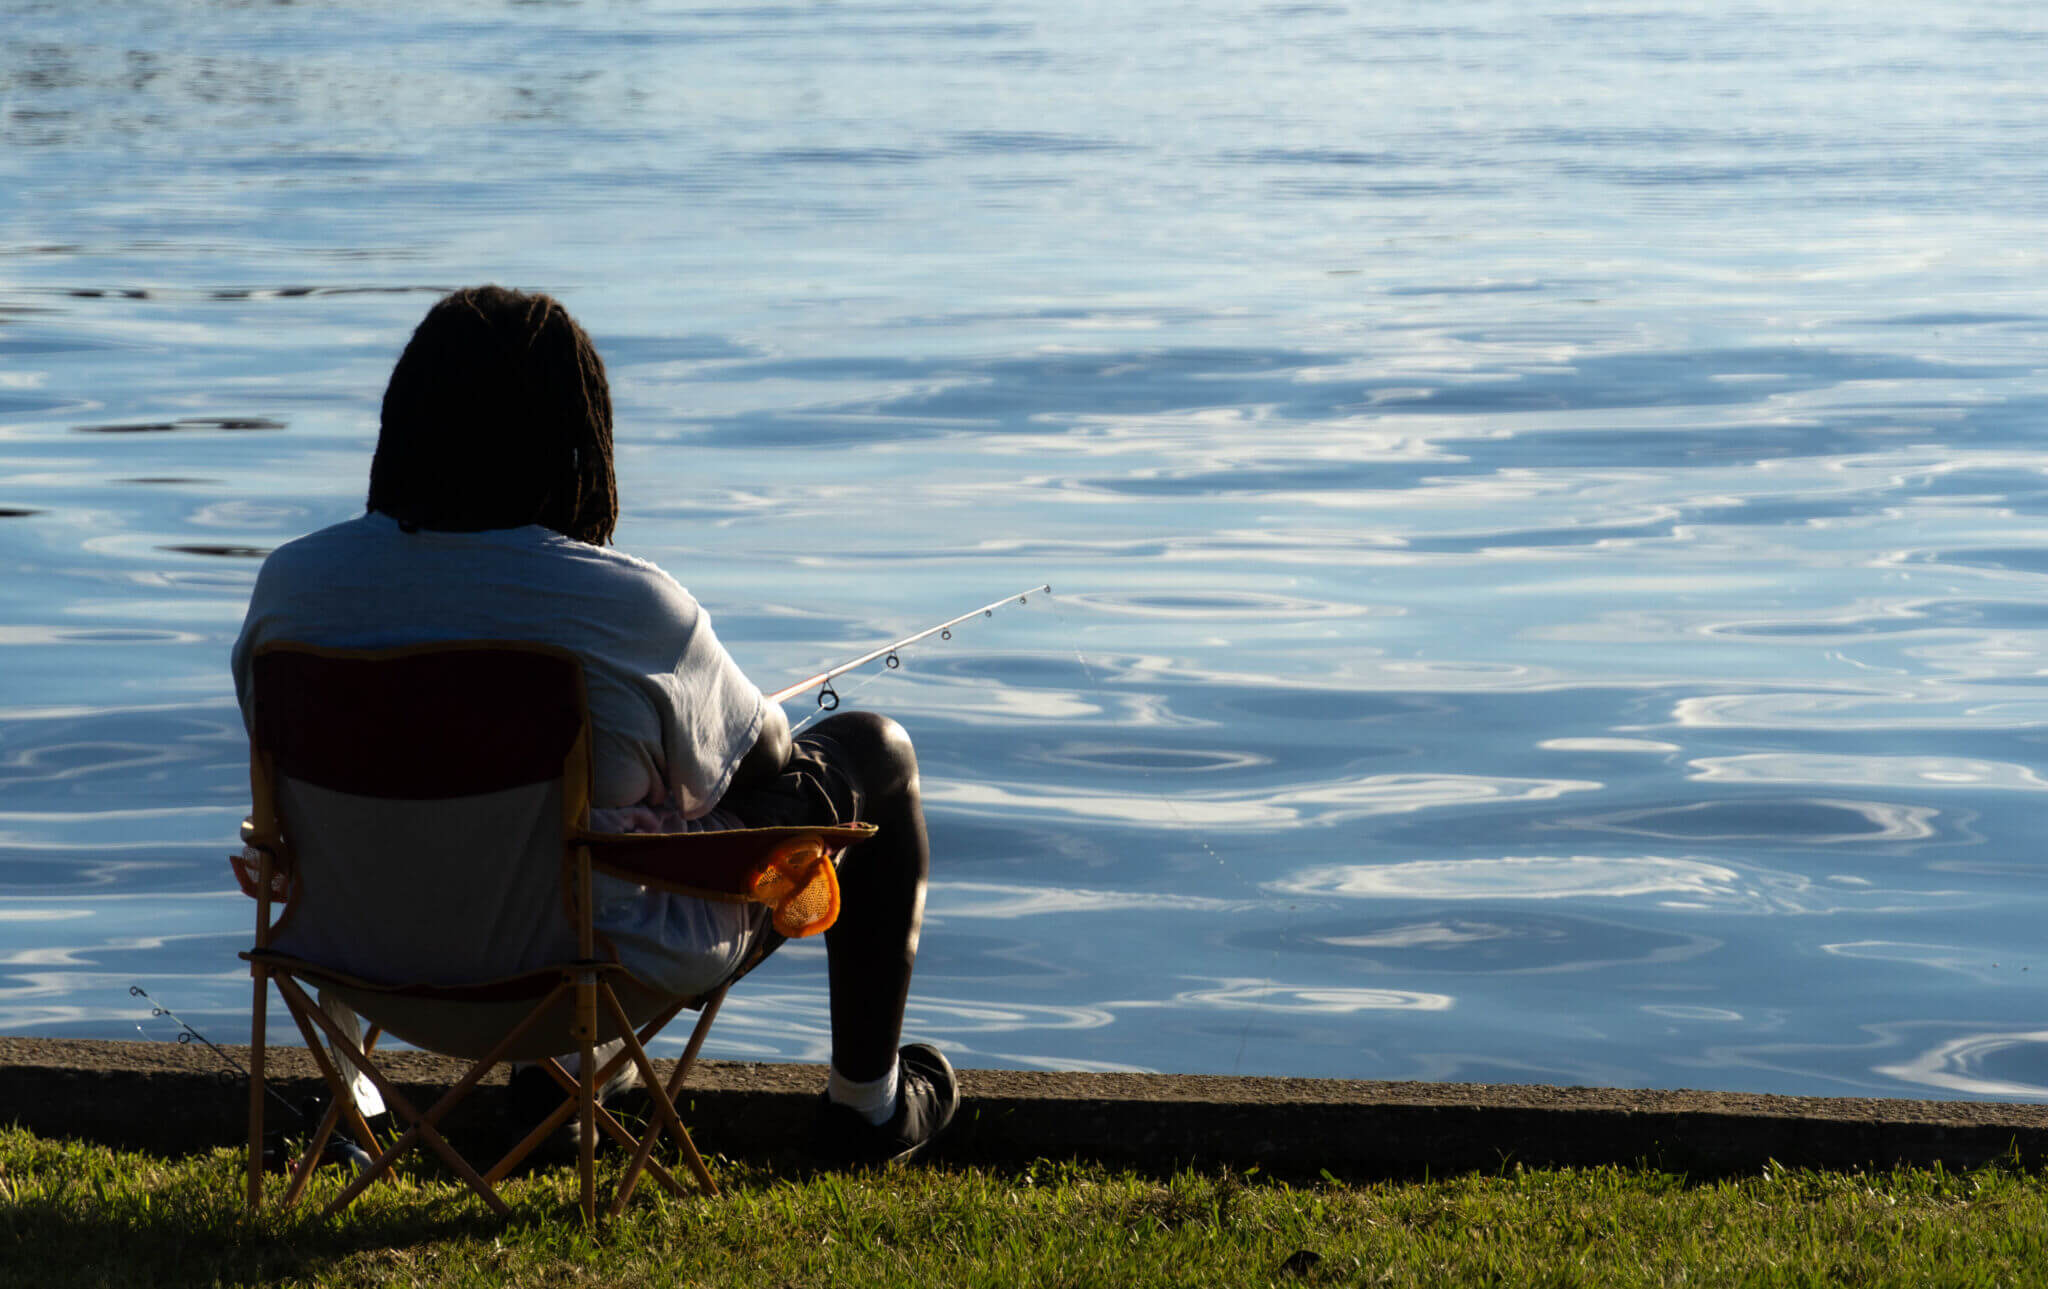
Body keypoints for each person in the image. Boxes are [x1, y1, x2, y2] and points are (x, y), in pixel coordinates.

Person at [230, 284, 956, 1165]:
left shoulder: (290, 592)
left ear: (402, 424)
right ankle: (865, 1109)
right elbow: (763, 755)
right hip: (579, 975)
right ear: (577, 440)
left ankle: (400, 1106)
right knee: (871, 753)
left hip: (359, 965)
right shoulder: (628, 607)